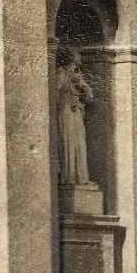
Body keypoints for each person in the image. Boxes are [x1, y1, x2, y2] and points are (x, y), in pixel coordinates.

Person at [53, 47, 94, 194]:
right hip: (66, 113)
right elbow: (55, 94)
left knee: (80, 145)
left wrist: (83, 86)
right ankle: (69, 178)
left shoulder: (80, 76)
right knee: (68, 144)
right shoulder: (62, 73)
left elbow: (90, 98)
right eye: (78, 55)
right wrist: (69, 80)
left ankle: (82, 177)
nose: (80, 58)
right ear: (71, 57)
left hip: (77, 114)